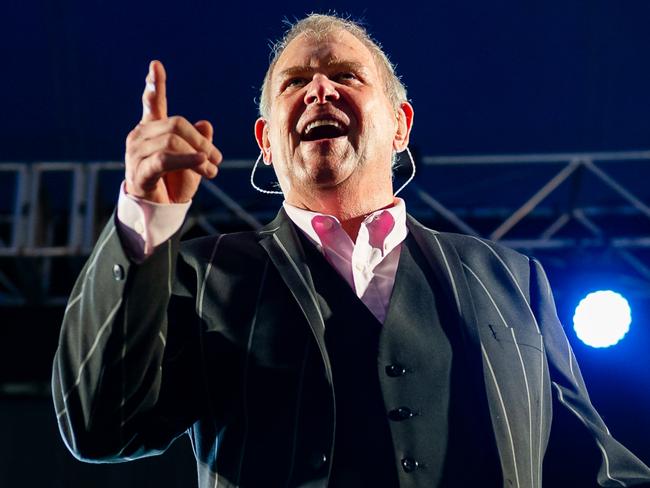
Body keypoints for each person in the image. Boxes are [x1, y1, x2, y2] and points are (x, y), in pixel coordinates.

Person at [52, 13, 650, 488]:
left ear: (400, 125)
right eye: (294, 83)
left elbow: (593, 467)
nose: (318, 89)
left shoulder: (512, 279)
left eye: (345, 75)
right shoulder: (205, 276)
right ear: (264, 142)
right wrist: (144, 215)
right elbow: (99, 426)